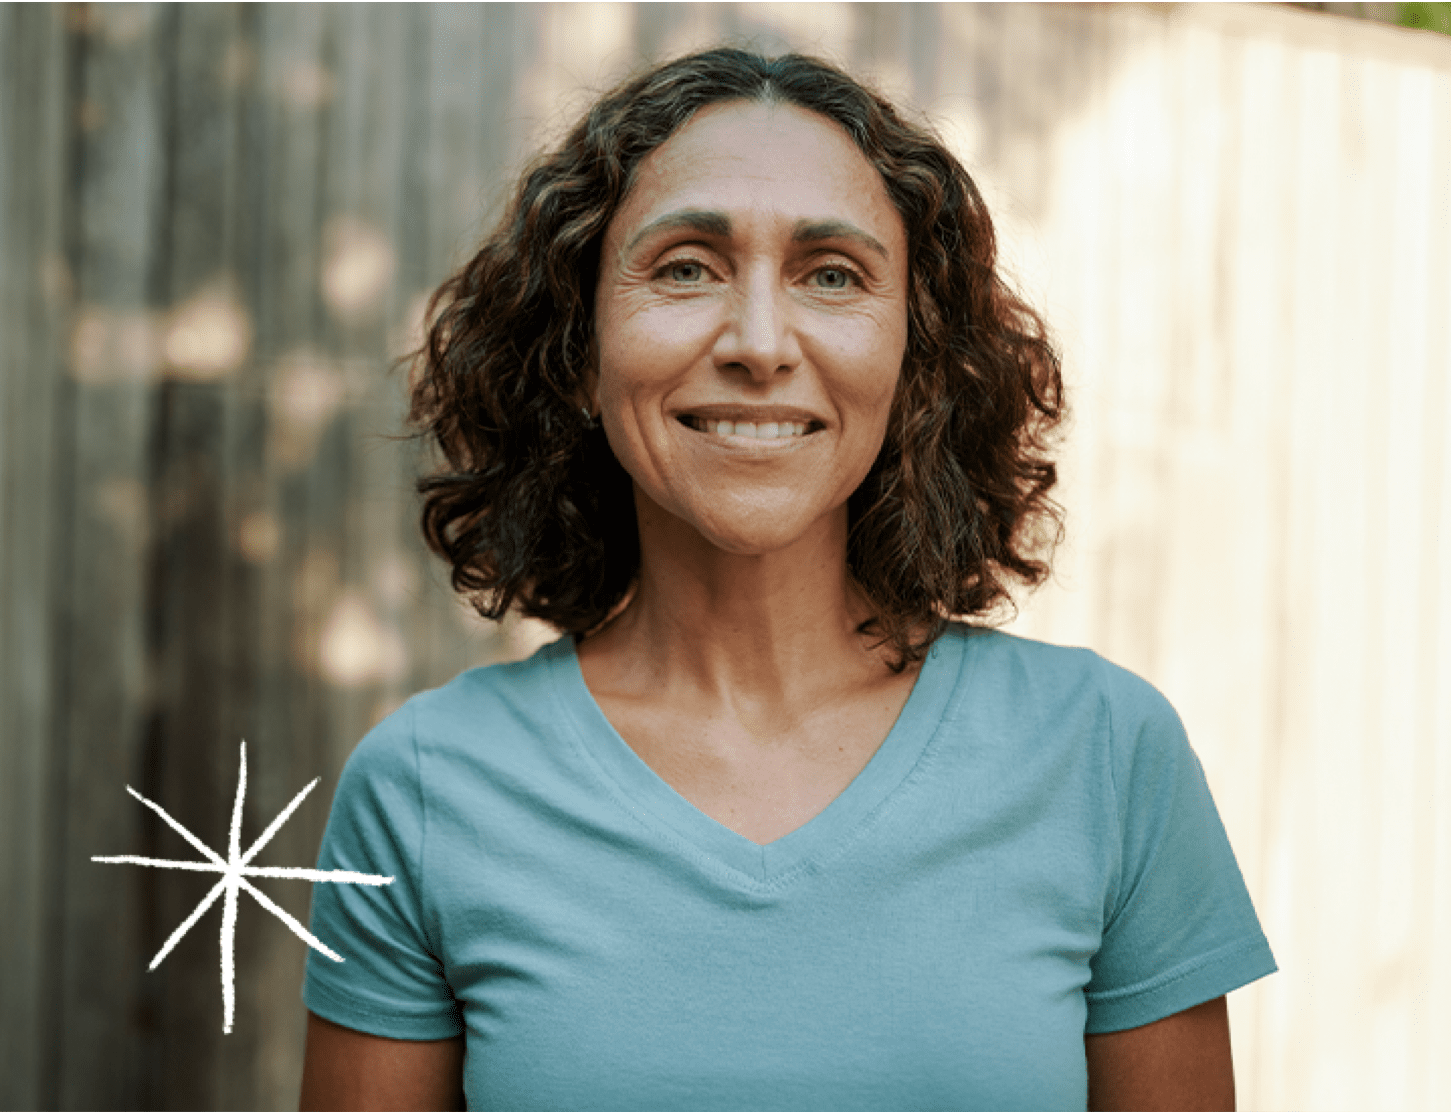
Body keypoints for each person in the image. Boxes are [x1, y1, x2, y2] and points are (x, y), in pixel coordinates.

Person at [296, 48, 1273, 1111]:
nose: (761, 342)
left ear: (914, 355)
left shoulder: (1107, 757)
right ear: (580, 347)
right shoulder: (425, 789)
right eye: (684, 267)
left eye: (833, 276)